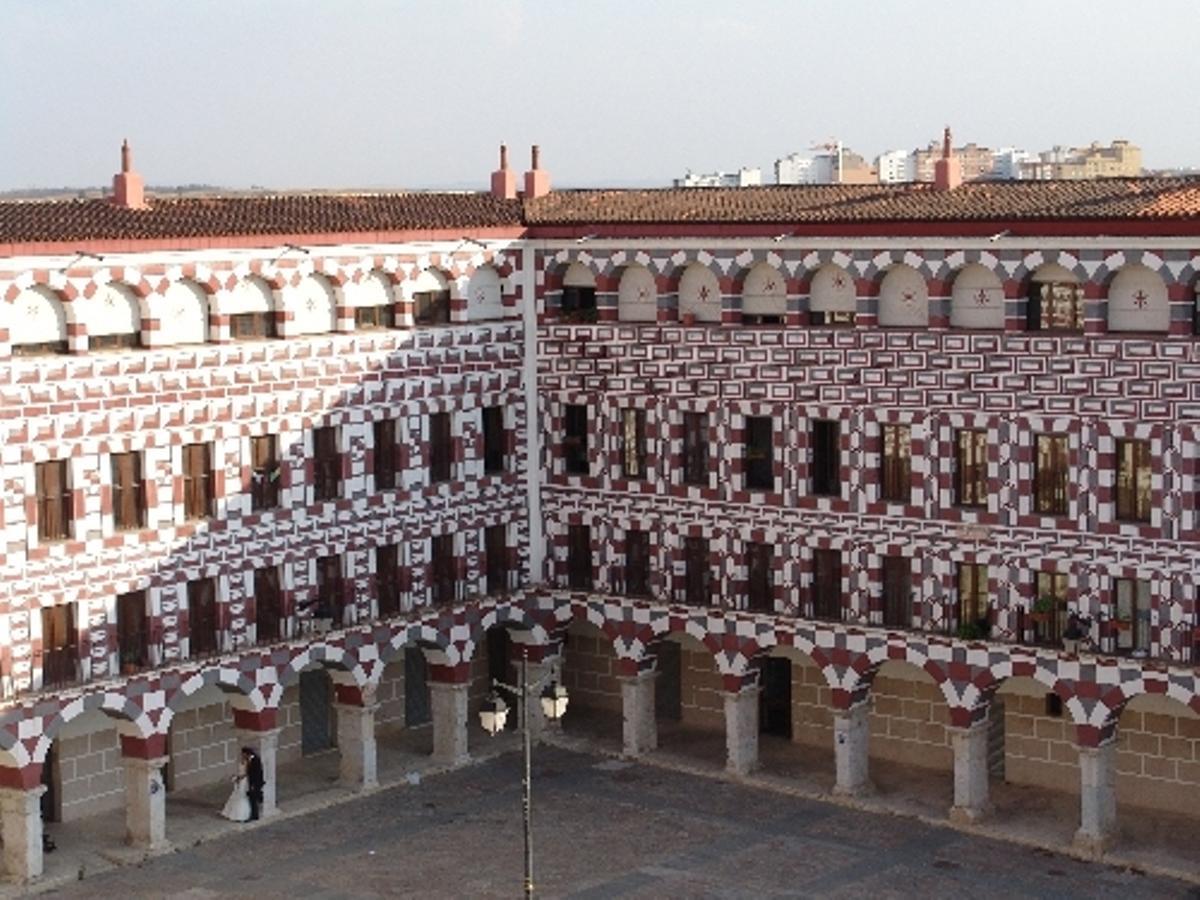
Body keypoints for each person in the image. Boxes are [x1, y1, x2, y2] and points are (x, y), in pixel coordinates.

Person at [220, 753, 251, 822]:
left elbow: (245, 773)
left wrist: (239, 778)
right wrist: (235, 777)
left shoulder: (247, 763)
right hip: (239, 778)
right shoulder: (240, 762)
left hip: (243, 780)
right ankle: (232, 813)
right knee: (235, 794)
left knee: (241, 796)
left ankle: (242, 815)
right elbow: (239, 771)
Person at [243, 747, 265, 821]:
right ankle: (260, 798)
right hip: (252, 782)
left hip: (255, 782)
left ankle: (255, 815)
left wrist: (253, 784)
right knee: (253, 797)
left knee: (253, 799)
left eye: (244, 754)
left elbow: (257, 773)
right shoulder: (249, 760)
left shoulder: (256, 760)